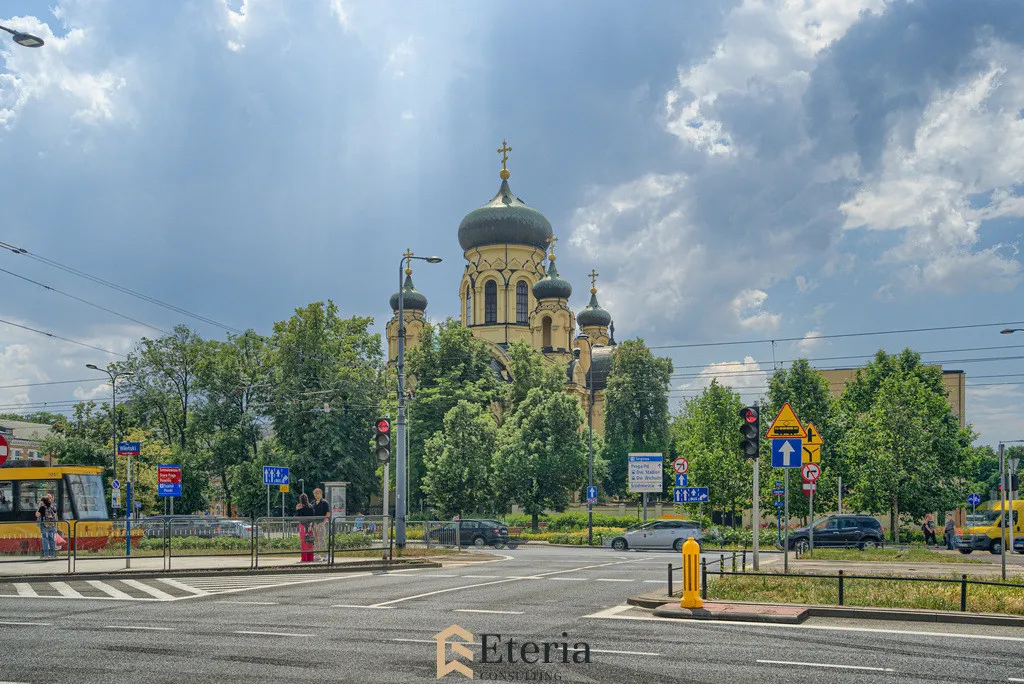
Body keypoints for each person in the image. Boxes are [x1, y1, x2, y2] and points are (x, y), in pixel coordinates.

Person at [311, 488, 331, 562]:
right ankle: (317, 554)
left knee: (321, 539)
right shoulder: (313, 503)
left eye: (317, 493)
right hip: (314, 523)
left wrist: (324, 522)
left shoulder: (325, 502)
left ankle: (326, 554)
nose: (316, 495)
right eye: (315, 494)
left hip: (321, 523)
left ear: (321, 493)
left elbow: (328, 513)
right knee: (316, 539)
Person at [35, 493, 57, 559]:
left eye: (41, 501)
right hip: (52, 525)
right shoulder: (53, 507)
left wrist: (40, 506)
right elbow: (55, 516)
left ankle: (46, 556)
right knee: (52, 540)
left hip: (44, 525)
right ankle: (53, 555)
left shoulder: (42, 507)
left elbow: (37, 515)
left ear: (43, 502)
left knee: (45, 540)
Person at [296, 494, 315, 563]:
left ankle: (304, 558)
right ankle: (311, 558)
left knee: (303, 542)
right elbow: (313, 517)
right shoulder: (311, 506)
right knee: (310, 542)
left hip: (302, 526)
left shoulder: (300, 506)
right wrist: (310, 525)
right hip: (310, 526)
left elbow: (299, 517)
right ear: (307, 498)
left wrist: (297, 510)